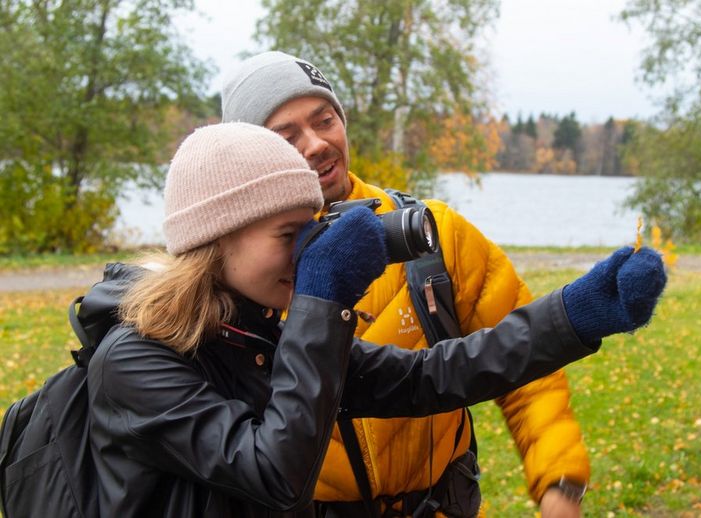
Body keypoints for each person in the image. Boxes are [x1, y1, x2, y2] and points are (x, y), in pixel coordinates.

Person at [86, 121, 666, 517]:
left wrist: (579, 313)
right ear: (216, 243)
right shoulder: (135, 361)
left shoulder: (260, 330)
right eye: (290, 236)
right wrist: (321, 298)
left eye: (312, 232)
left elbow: (430, 377)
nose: (306, 254)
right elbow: (276, 475)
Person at [220, 52, 662, 516]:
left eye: (324, 120)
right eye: (286, 137)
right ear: (253, 161)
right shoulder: (246, 273)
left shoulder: (432, 233)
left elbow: (524, 362)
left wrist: (559, 479)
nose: (314, 144)